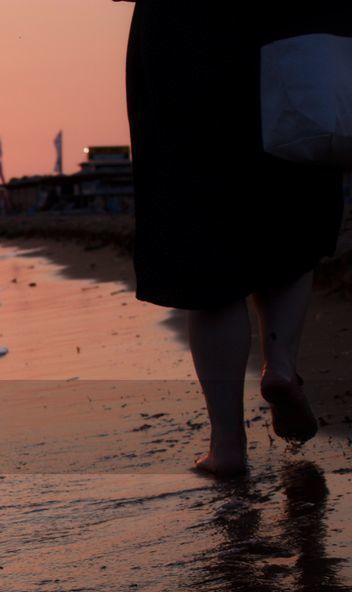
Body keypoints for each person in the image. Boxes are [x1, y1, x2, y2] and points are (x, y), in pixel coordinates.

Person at [120, 1, 347, 476]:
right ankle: (280, 366)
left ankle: (227, 447)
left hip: (183, 43)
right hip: (285, 32)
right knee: (290, 215)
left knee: (208, 251)